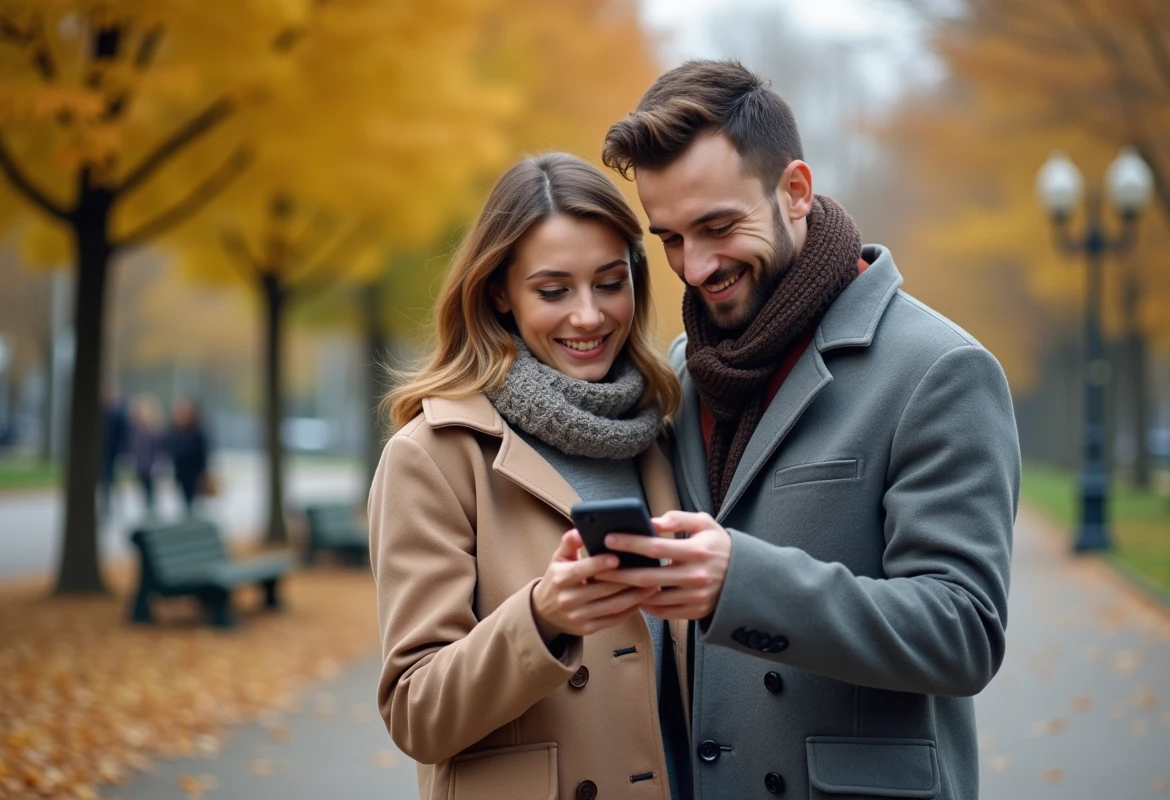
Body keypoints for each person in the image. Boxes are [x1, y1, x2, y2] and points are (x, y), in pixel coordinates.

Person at [597, 60, 1021, 800]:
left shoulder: (939, 368)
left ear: (794, 191)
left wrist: (745, 582)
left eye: (718, 226)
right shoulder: (683, 371)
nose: (694, 268)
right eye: (669, 238)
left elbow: (964, 631)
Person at [368, 153, 691, 800]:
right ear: (499, 293)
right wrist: (542, 617)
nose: (589, 316)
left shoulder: (664, 433)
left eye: (609, 282)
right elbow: (414, 710)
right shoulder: (433, 454)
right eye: (552, 290)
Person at [167, 398, 209, 515]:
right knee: (183, 502)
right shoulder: (176, 430)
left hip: (194, 473)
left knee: (193, 503)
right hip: (181, 472)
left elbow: (203, 455)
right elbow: (172, 449)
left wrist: (203, 474)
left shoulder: (198, 432)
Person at [128, 394, 164, 516]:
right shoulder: (136, 429)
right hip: (140, 464)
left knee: (151, 491)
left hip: (151, 465)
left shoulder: (154, 430)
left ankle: (151, 512)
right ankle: (147, 511)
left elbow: (158, 450)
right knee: (143, 490)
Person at [99, 386, 128, 520]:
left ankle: (112, 507)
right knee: (105, 481)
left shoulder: (118, 412)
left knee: (111, 480)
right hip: (102, 452)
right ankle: (106, 507)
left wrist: (123, 452)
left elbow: (123, 434)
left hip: (113, 453)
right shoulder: (102, 411)